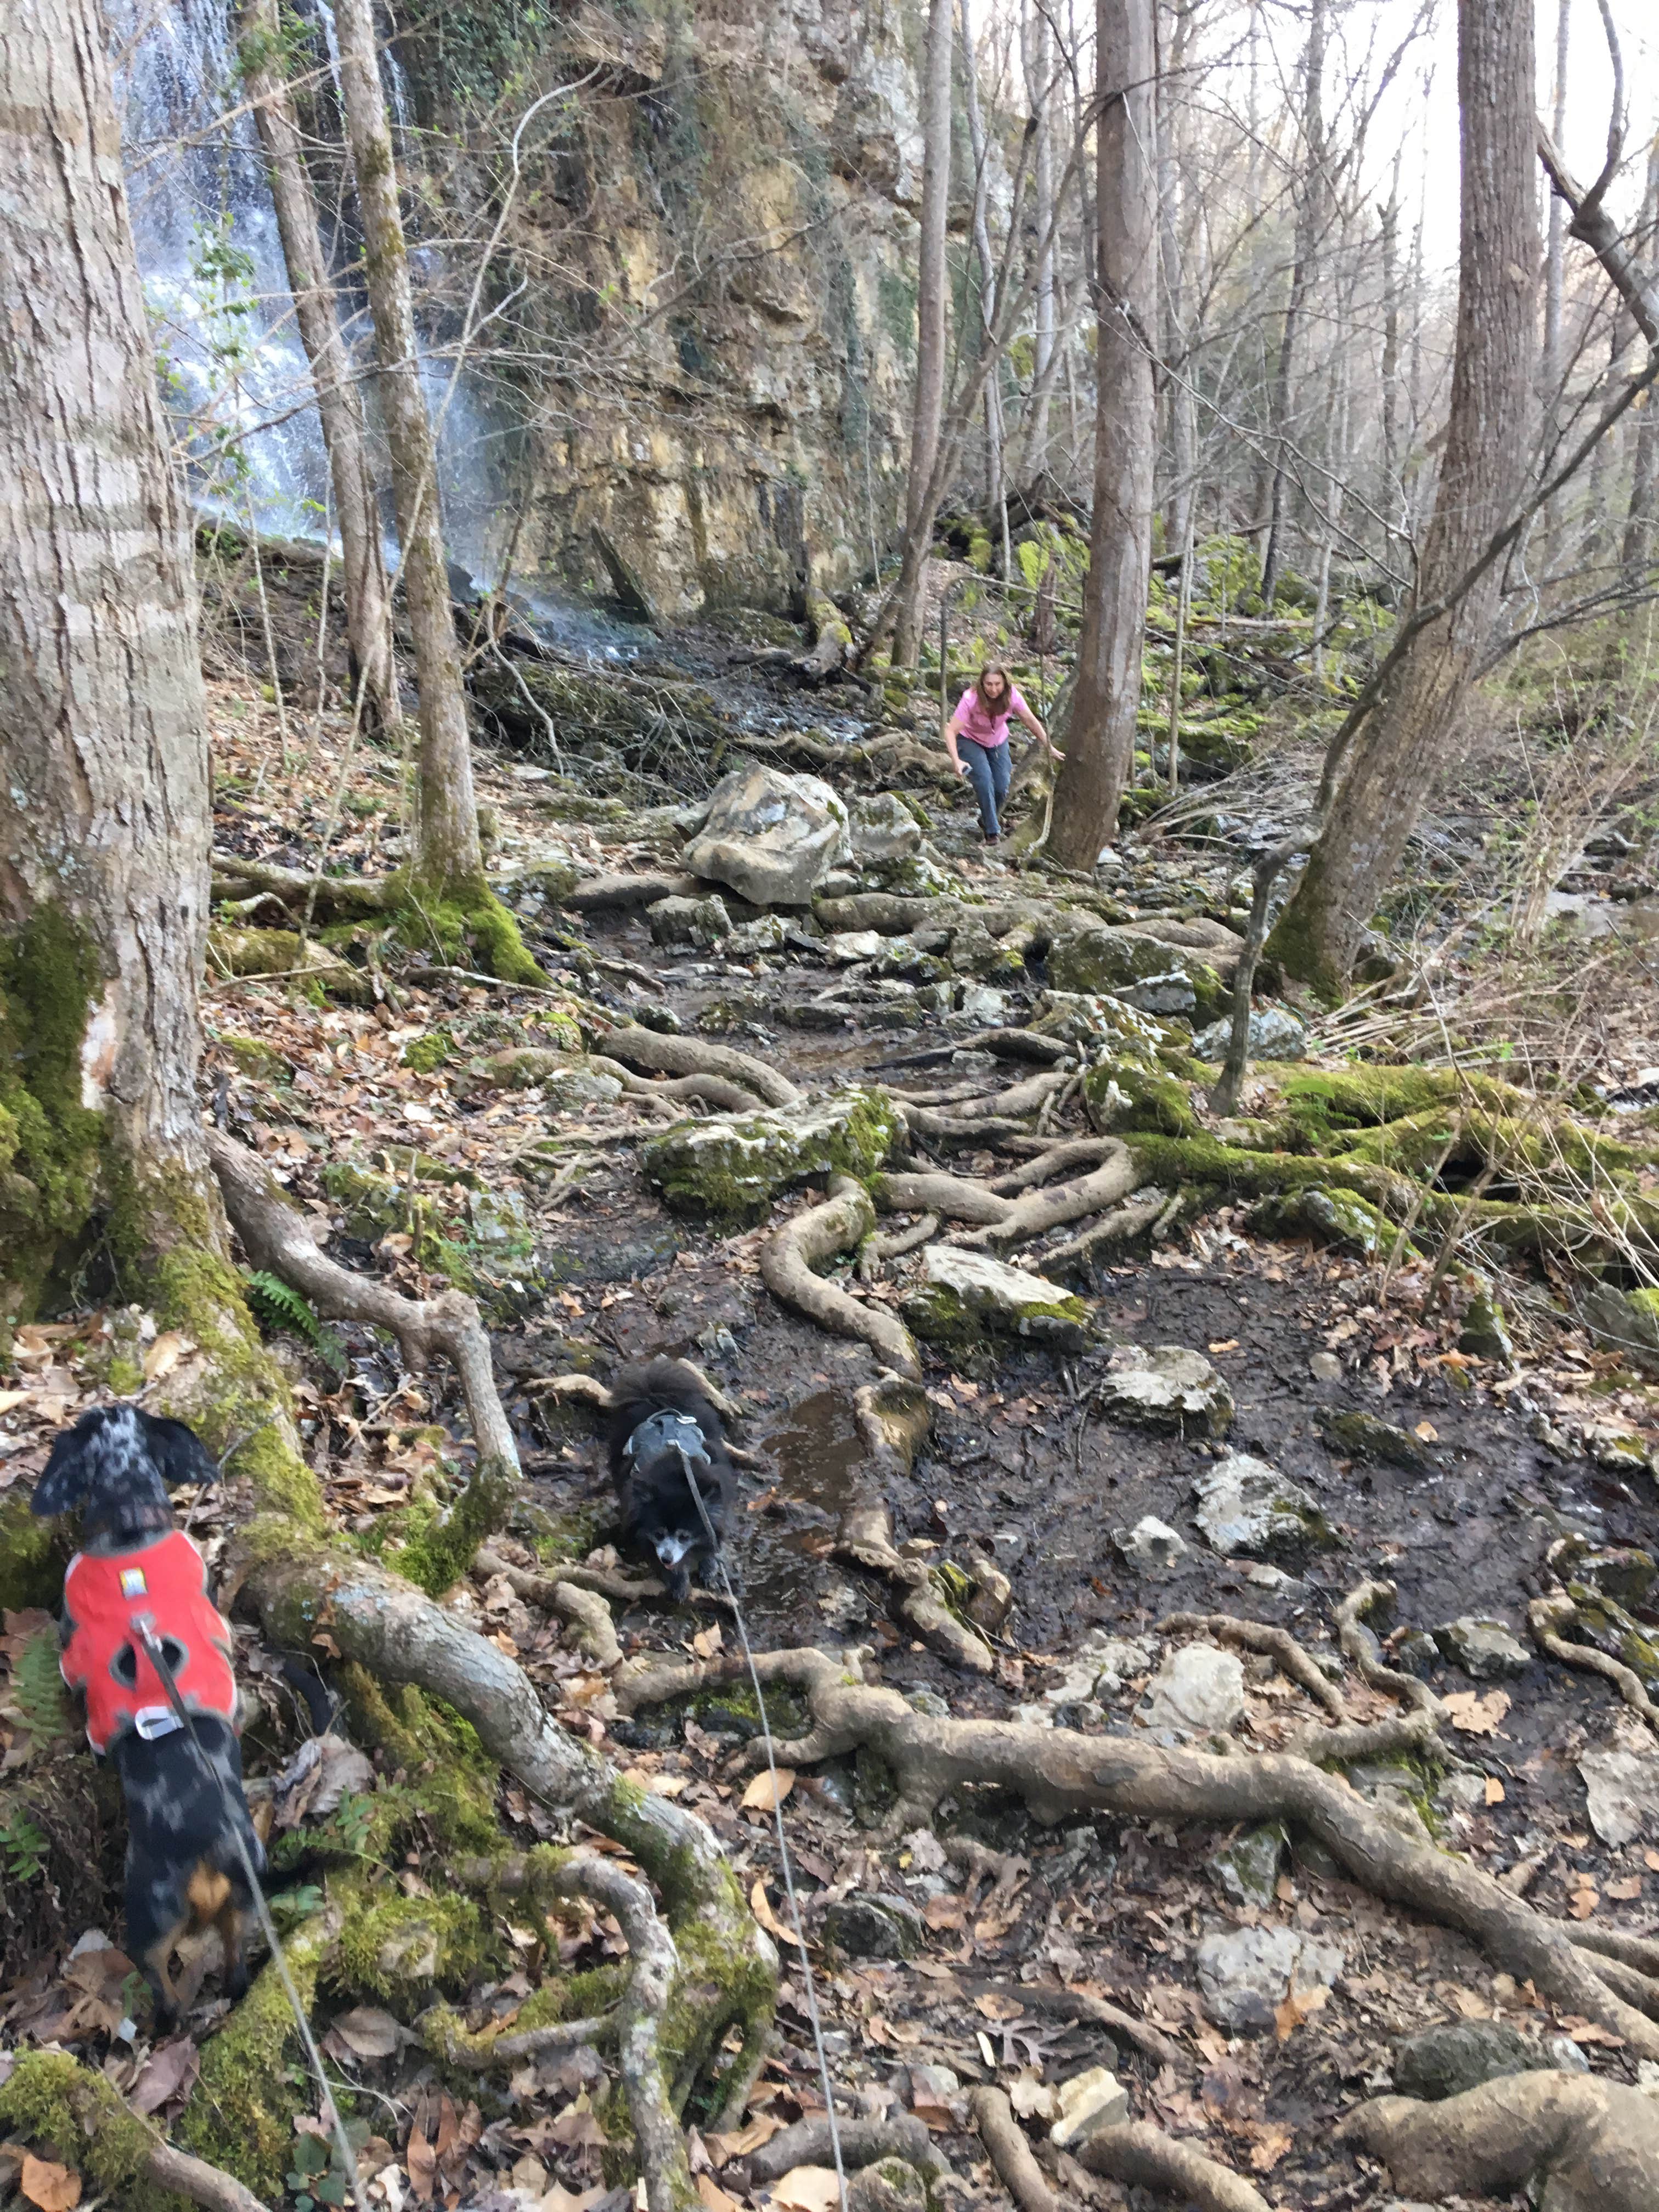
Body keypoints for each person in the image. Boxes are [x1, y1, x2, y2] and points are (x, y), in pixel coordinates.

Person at [942, 663, 1060, 842]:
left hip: (997, 740)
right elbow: (951, 731)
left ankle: (987, 819)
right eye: (989, 684)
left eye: (997, 684)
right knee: (984, 779)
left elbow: (1030, 720)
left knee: (1002, 786)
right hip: (969, 740)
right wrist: (956, 761)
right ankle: (992, 833)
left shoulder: (1013, 696)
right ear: (982, 684)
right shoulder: (970, 699)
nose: (993, 689)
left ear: (1004, 684)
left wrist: (1048, 746)